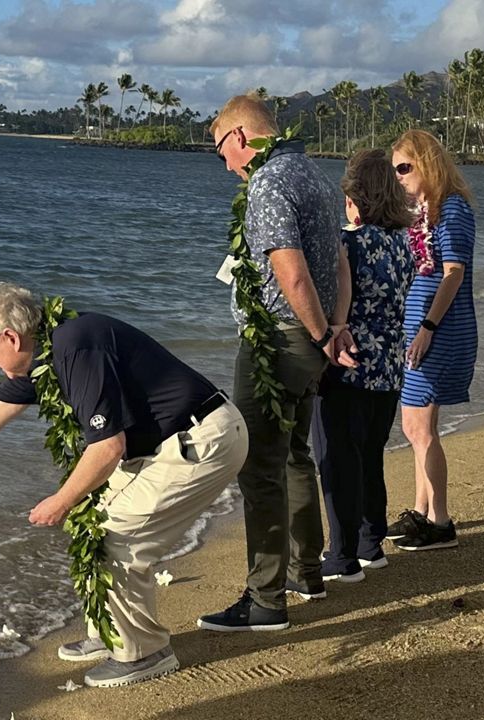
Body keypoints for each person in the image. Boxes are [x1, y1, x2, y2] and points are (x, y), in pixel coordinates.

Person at [0, 283, 249, 687]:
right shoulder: (44, 353)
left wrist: (61, 499)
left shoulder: (77, 346)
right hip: (165, 445)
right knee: (90, 526)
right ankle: (111, 633)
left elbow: (107, 446)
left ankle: (145, 654)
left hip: (201, 439)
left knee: (114, 536)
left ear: (11, 338)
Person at [198, 94, 354, 631]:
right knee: (293, 454)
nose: (224, 165)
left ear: (240, 138)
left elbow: (291, 272)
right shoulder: (309, 173)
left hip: (277, 343)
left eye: (221, 151)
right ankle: (306, 572)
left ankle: (265, 600)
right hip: (308, 339)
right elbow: (336, 260)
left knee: (258, 467)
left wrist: (319, 333)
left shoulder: (267, 182)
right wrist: (335, 327)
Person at [311, 150, 415, 582]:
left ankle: (342, 554)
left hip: (349, 359)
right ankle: (371, 543)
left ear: (355, 198)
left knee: (337, 457)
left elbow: (330, 294)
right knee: (370, 453)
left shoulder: (349, 243)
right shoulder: (402, 244)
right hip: (389, 360)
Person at [385, 129, 477, 551]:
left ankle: (440, 521)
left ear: (426, 164)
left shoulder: (450, 209)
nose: (399, 177)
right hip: (421, 329)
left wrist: (428, 328)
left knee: (419, 426)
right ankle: (421, 511)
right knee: (416, 425)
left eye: (404, 168)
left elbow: (453, 273)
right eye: (395, 170)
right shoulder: (422, 211)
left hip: (440, 330)